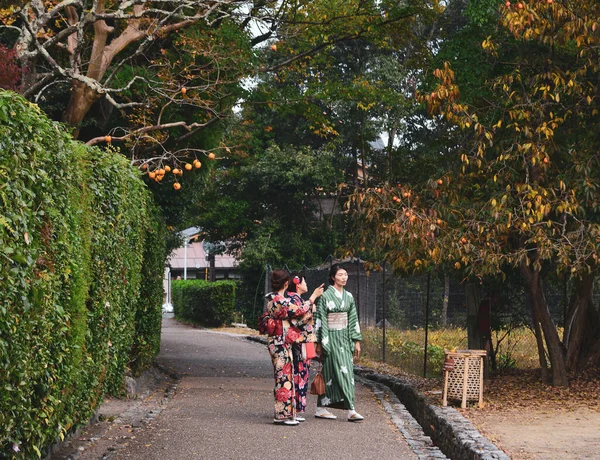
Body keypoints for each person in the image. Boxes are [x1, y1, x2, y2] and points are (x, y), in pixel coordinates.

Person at [264, 269, 324, 425]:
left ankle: (287, 414)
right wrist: (312, 298)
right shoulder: (279, 300)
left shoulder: (276, 299)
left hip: (280, 342)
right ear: (286, 283)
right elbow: (298, 311)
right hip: (279, 343)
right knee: (283, 378)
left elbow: (297, 317)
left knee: (286, 377)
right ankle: (282, 415)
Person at [314, 264, 364, 422]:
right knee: (332, 372)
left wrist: (356, 340)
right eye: (341, 274)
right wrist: (320, 341)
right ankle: (349, 410)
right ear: (333, 277)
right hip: (330, 337)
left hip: (345, 336)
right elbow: (320, 319)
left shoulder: (348, 296)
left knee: (346, 371)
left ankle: (324, 408)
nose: (344, 277)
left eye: (346, 275)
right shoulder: (326, 296)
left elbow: (353, 319)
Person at [286, 272, 321, 422]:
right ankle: (294, 408)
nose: (306, 284)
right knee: (297, 373)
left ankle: (297, 409)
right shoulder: (292, 299)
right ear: (298, 283)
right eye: (304, 281)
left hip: (303, 341)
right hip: (298, 341)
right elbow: (298, 320)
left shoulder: (297, 299)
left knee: (302, 373)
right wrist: (312, 298)